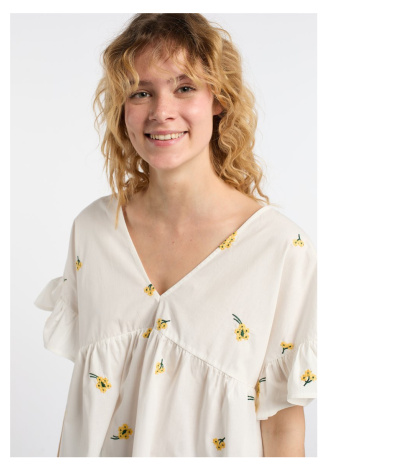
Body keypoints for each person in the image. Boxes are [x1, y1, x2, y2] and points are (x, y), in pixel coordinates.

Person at [34, 13, 317, 457]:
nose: (161, 111)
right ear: (123, 109)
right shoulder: (93, 230)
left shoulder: (280, 249)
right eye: (140, 92)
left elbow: (282, 429)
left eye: (184, 88)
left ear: (218, 99)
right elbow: (85, 411)